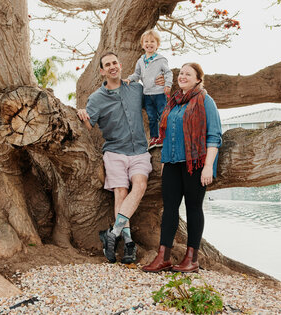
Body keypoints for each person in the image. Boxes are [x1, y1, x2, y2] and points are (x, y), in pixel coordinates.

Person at [77, 52, 164, 264]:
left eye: (114, 63)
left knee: (140, 185)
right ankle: (129, 245)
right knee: (120, 192)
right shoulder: (96, 98)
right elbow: (90, 125)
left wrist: (161, 83)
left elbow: (155, 102)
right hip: (114, 151)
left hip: (139, 151)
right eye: (107, 65)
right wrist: (82, 116)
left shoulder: (136, 89)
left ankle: (112, 234)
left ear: (121, 65)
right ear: (102, 71)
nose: (112, 67)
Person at [142, 62, 222, 273]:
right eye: (181, 73)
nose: (183, 76)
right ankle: (163, 257)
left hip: (195, 163)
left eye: (188, 74)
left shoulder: (206, 101)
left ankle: (191, 259)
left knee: (194, 209)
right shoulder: (174, 102)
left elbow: (214, 136)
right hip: (172, 163)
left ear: (198, 79)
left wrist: (207, 167)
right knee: (169, 209)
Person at [125, 29, 173, 150]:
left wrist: (168, 84)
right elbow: (137, 74)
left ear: (157, 45)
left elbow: (168, 73)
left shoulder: (161, 59)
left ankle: (164, 136)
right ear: (142, 44)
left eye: (152, 41)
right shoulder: (140, 61)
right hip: (147, 94)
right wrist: (130, 79)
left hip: (159, 93)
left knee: (162, 115)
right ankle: (154, 138)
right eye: (146, 41)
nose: (149, 44)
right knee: (151, 117)